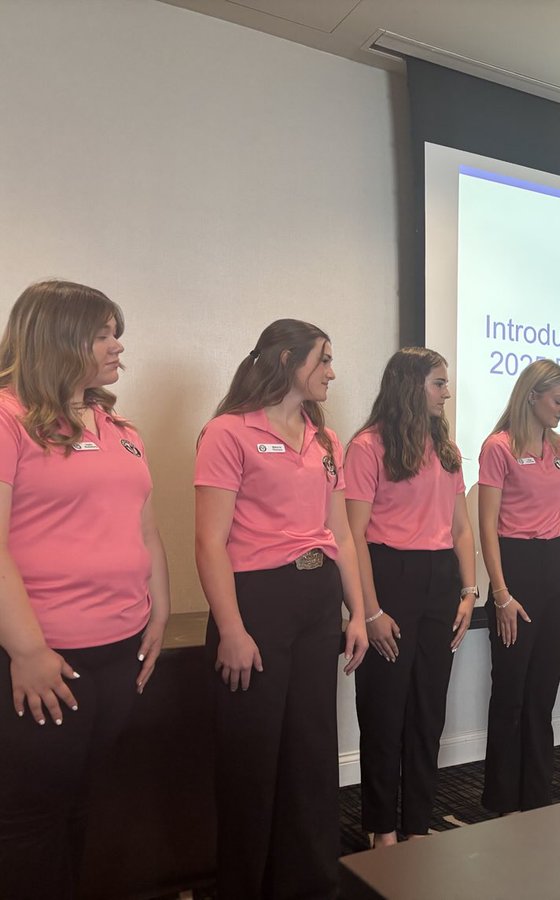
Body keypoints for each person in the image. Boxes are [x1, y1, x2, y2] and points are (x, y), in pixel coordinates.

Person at [0, 280, 171, 900]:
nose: (118, 346)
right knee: (27, 821)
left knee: (79, 807)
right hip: (44, 657)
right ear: (58, 337)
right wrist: (27, 651)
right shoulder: (7, 418)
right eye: (103, 333)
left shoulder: (118, 426)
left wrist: (159, 614)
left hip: (118, 647)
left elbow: (145, 529)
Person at [194, 319, 368, 899]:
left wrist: (359, 613)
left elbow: (339, 530)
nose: (331, 372)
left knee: (312, 750)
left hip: (317, 601)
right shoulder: (227, 432)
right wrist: (232, 629)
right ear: (287, 360)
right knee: (252, 758)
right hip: (257, 602)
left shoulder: (325, 439)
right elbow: (209, 541)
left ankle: (310, 884)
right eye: (323, 360)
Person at [345, 349, 477, 847]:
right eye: (439, 383)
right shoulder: (367, 447)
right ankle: (381, 827)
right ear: (410, 386)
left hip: (440, 581)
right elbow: (353, 535)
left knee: (428, 710)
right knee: (383, 711)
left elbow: (461, 529)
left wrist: (468, 590)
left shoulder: (447, 450)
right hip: (389, 578)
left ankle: (418, 822)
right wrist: (370, 610)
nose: (447, 392)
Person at [477, 359, 560, 813]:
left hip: (554, 571)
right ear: (532, 396)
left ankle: (536, 794)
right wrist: (500, 593)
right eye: (558, 401)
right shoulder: (497, 447)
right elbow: (486, 526)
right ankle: (502, 798)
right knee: (510, 692)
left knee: (542, 692)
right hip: (515, 568)